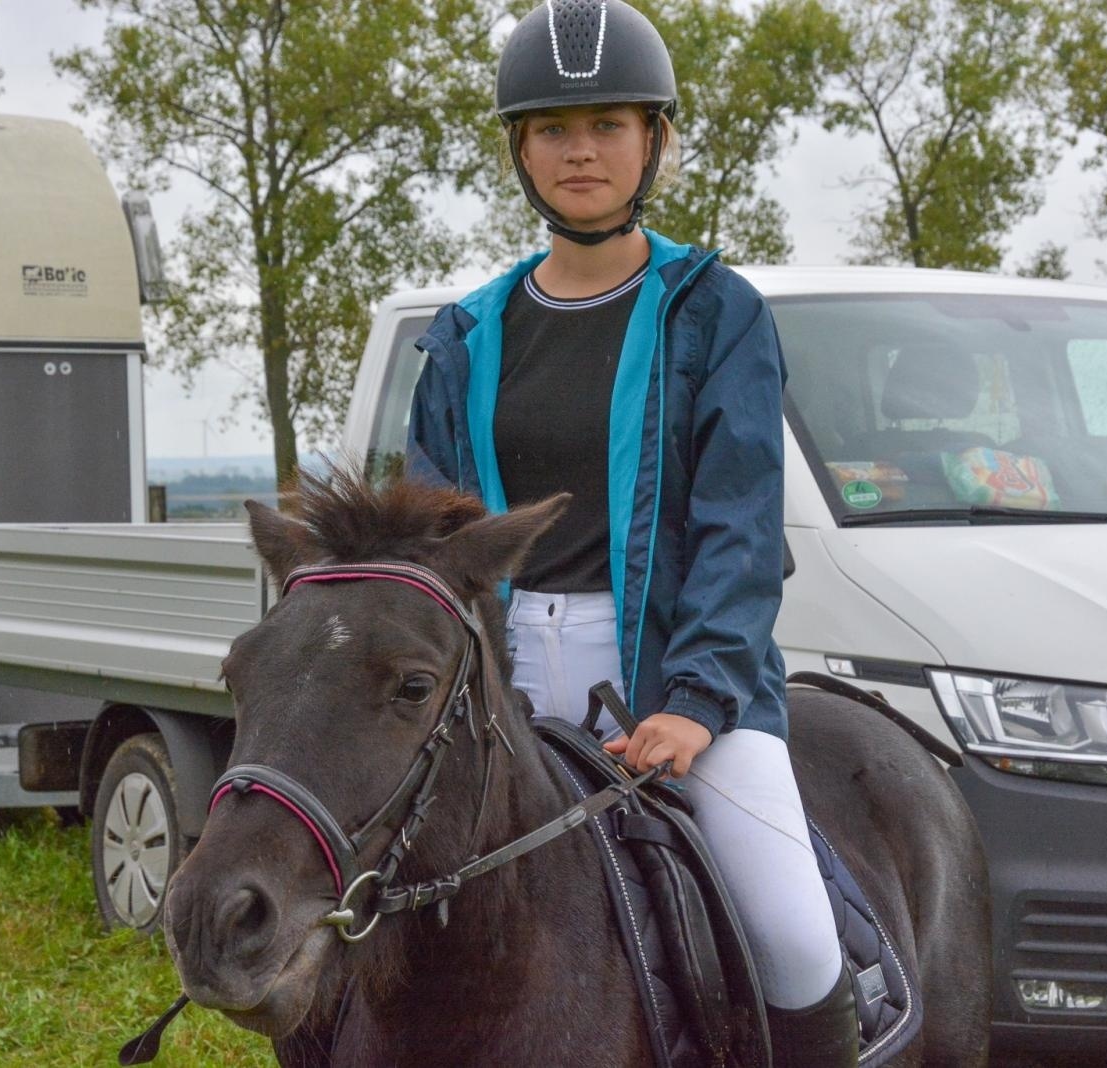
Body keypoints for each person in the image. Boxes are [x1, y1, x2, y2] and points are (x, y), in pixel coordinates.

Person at [407, 2, 857, 1064]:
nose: (581, 150)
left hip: (677, 670)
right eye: (554, 128)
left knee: (793, 935)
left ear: (653, 139)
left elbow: (739, 532)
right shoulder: (467, 334)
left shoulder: (717, 312)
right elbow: (432, 543)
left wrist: (697, 703)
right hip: (495, 682)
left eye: (608, 124)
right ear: (518, 148)